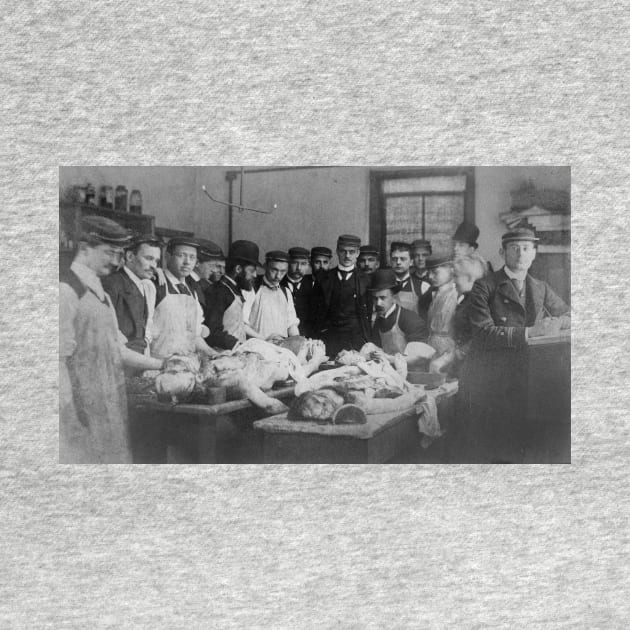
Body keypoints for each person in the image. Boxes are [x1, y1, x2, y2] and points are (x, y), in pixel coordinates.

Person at [60, 216, 164, 464]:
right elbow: (56, 363)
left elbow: (117, 350)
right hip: (78, 413)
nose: (116, 261)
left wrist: (163, 365)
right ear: (85, 248)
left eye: (119, 253)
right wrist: (68, 416)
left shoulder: (102, 296)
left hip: (108, 406)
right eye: (109, 252)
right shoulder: (66, 291)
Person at [464, 227, 570, 463]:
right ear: (502, 252)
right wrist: (532, 331)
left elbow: (570, 315)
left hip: (531, 375)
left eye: (526, 248)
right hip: (493, 378)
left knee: (528, 442)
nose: (520, 254)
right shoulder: (485, 286)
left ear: (534, 253)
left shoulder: (540, 287)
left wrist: (557, 322)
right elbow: (483, 333)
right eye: (514, 248)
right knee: (497, 446)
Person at [151, 237, 215, 358]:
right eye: (181, 255)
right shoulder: (155, 285)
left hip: (185, 365)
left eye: (192, 257)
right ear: (167, 256)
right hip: (158, 365)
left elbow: (195, 336)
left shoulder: (192, 291)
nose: (187, 262)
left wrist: (213, 353)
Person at [102, 233, 162, 356]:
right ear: (130, 257)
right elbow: (108, 336)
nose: (154, 266)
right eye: (149, 258)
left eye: (156, 261)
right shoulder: (112, 284)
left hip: (140, 360)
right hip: (120, 361)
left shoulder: (147, 286)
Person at [314, 234, 371, 357]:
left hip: (356, 338)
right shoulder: (324, 279)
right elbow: (315, 313)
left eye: (351, 252)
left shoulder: (366, 280)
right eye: (343, 251)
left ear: (358, 253)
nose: (347, 256)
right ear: (337, 252)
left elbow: (369, 313)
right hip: (329, 338)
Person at [204, 240, 260, 350]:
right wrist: (239, 346)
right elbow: (212, 332)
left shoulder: (234, 290)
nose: (255, 275)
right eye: (252, 270)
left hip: (236, 354)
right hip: (222, 356)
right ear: (238, 269)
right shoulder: (218, 291)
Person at [368, 269, 430, 367]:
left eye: (383, 298)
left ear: (394, 296)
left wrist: (389, 358)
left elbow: (420, 358)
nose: (378, 303)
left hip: (412, 373)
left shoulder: (410, 319)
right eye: (375, 298)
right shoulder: (378, 320)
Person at [248, 250, 300, 341]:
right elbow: (242, 324)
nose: (278, 276)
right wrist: (265, 340)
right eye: (274, 270)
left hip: (279, 349)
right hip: (256, 347)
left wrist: (297, 341)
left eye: (283, 271)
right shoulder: (252, 288)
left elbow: (291, 324)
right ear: (265, 266)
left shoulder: (286, 292)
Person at [425, 255, 458, 357]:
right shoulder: (437, 294)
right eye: (429, 272)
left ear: (452, 270)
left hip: (448, 350)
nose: (430, 276)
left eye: (435, 272)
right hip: (431, 347)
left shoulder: (455, 295)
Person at [282, 246, 318, 337]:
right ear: (287, 263)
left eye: (303, 264)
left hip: (307, 336)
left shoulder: (314, 285)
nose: (298, 268)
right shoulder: (278, 283)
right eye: (294, 263)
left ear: (308, 265)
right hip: (281, 334)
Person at [390, 241, 425, 316]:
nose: (398, 262)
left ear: (411, 262)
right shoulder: (383, 285)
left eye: (403, 259)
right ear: (390, 261)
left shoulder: (423, 287)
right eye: (394, 259)